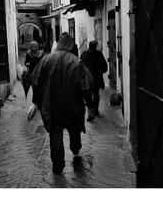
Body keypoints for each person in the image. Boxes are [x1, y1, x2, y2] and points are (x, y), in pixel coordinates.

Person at [29, 32, 94, 175]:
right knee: (75, 130)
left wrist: (35, 102)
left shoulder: (46, 60)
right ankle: (75, 148)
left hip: (52, 106)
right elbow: (86, 88)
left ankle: (58, 166)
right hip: (73, 106)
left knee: (55, 134)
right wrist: (90, 106)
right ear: (71, 45)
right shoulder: (77, 62)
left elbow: (35, 81)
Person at [80, 40, 108, 116]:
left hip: (86, 79)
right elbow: (104, 67)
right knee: (96, 94)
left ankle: (90, 111)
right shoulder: (98, 54)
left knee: (88, 95)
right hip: (96, 78)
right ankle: (95, 110)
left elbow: (80, 66)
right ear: (95, 46)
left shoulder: (84, 54)